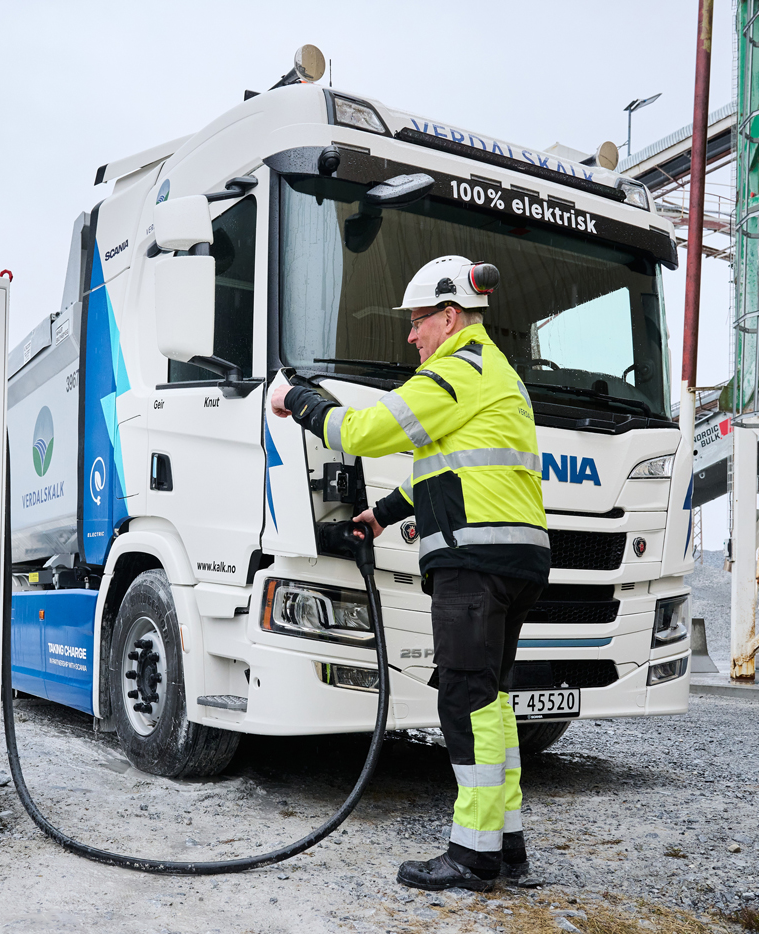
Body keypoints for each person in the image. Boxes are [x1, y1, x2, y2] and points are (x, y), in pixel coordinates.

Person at [270, 255, 549, 892]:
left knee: (463, 700)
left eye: (419, 320)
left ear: (451, 317)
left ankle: (471, 856)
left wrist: (300, 400)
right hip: (514, 559)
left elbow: (364, 431)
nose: (411, 335)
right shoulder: (493, 373)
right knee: (493, 703)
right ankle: (507, 848)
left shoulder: (455, 371)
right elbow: (451, 471)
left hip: (474, 565)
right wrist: (384, 514)